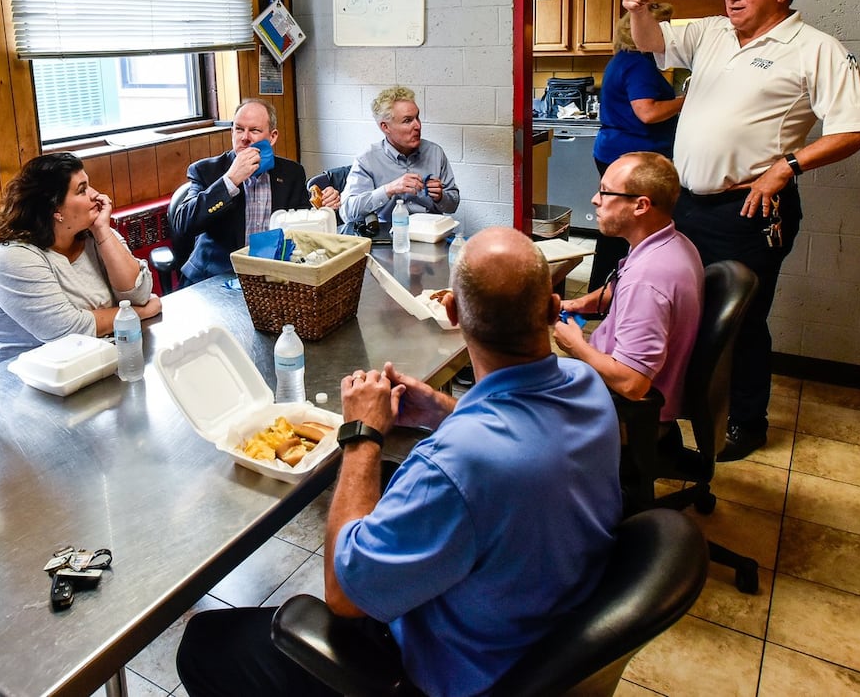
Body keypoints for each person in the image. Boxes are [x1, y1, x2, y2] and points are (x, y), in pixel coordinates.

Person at [175, 227, 622, 697]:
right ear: (554, 308)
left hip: (448, 672)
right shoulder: (586, 385)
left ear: (451, 311)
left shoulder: (455, 468)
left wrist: (361, 435)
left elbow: (343, 595)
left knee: (206, 643)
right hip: (534, 629)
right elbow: (522, 433)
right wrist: (444, 410)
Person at [623, 0, 860, 461]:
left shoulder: (814, 48)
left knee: (738, 323)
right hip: (688, 206)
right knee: (674, 310)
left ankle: (745, 423)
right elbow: (653, 41)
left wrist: (787, 167)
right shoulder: (712, 32)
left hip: (748, 211)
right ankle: (670, 414)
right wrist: (638, 8)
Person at [555, 151, 703, 426]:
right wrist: (573, 305)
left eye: (605, 192)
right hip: (615, 383)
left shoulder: (647, 280)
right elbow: (618, 287)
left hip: (621, 408)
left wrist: (576, 346)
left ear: (641, 206)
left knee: (515, 389)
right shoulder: (671, 241)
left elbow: (632, 383)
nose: (595, 200)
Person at [0, 152, 161, 364]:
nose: (96, 195)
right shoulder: (11, 257)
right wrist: (139, 313)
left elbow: (140, 294)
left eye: (89, 185)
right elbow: (67, 332)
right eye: (82, 190)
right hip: (13, 378)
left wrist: (102, 231)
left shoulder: (94, 232)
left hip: (89, 361)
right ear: (55, 209)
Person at [171, 98, 340, 285]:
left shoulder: (292, 173)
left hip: (272, 275)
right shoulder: (206, 171)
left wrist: (322, 210)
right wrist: (230, 181)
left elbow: (301, 230)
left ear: (272, 137)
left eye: (254, 130)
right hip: (216, 277)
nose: (244, 137)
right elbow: (182, 225)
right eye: (238, 129)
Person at [587, 3, 686, 289]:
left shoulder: (623, 59)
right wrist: (686, 100)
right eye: (662, 25)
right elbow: (647, 112)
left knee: (614, 230)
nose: (666, 33)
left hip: (614, 151)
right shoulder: (639, 64)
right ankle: (613, 293)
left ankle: (603, 293)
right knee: (626, 231)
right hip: (631, 157)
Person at [340, 86, 460, 227]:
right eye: (407, 120)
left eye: (417, 117)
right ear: (385, 127)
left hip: (430, 235)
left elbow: (452, 206)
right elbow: (347, 212)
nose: (418, 126)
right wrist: (389, 189)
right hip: (387, 238)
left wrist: (441, 197)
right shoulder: (367, 159)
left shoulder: (435, 152)